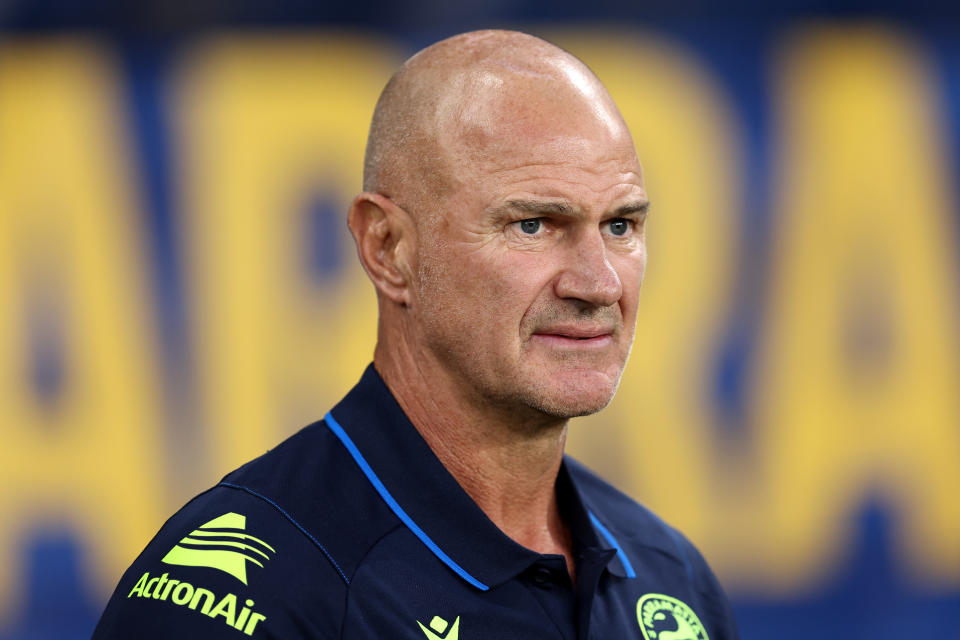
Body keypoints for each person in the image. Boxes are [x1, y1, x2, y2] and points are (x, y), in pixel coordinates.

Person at [93, 29, 739, 639]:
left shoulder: (671, 581)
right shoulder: (246, 595)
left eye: (621, 226)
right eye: (534, 225)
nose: (598, 284)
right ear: (388, 248)